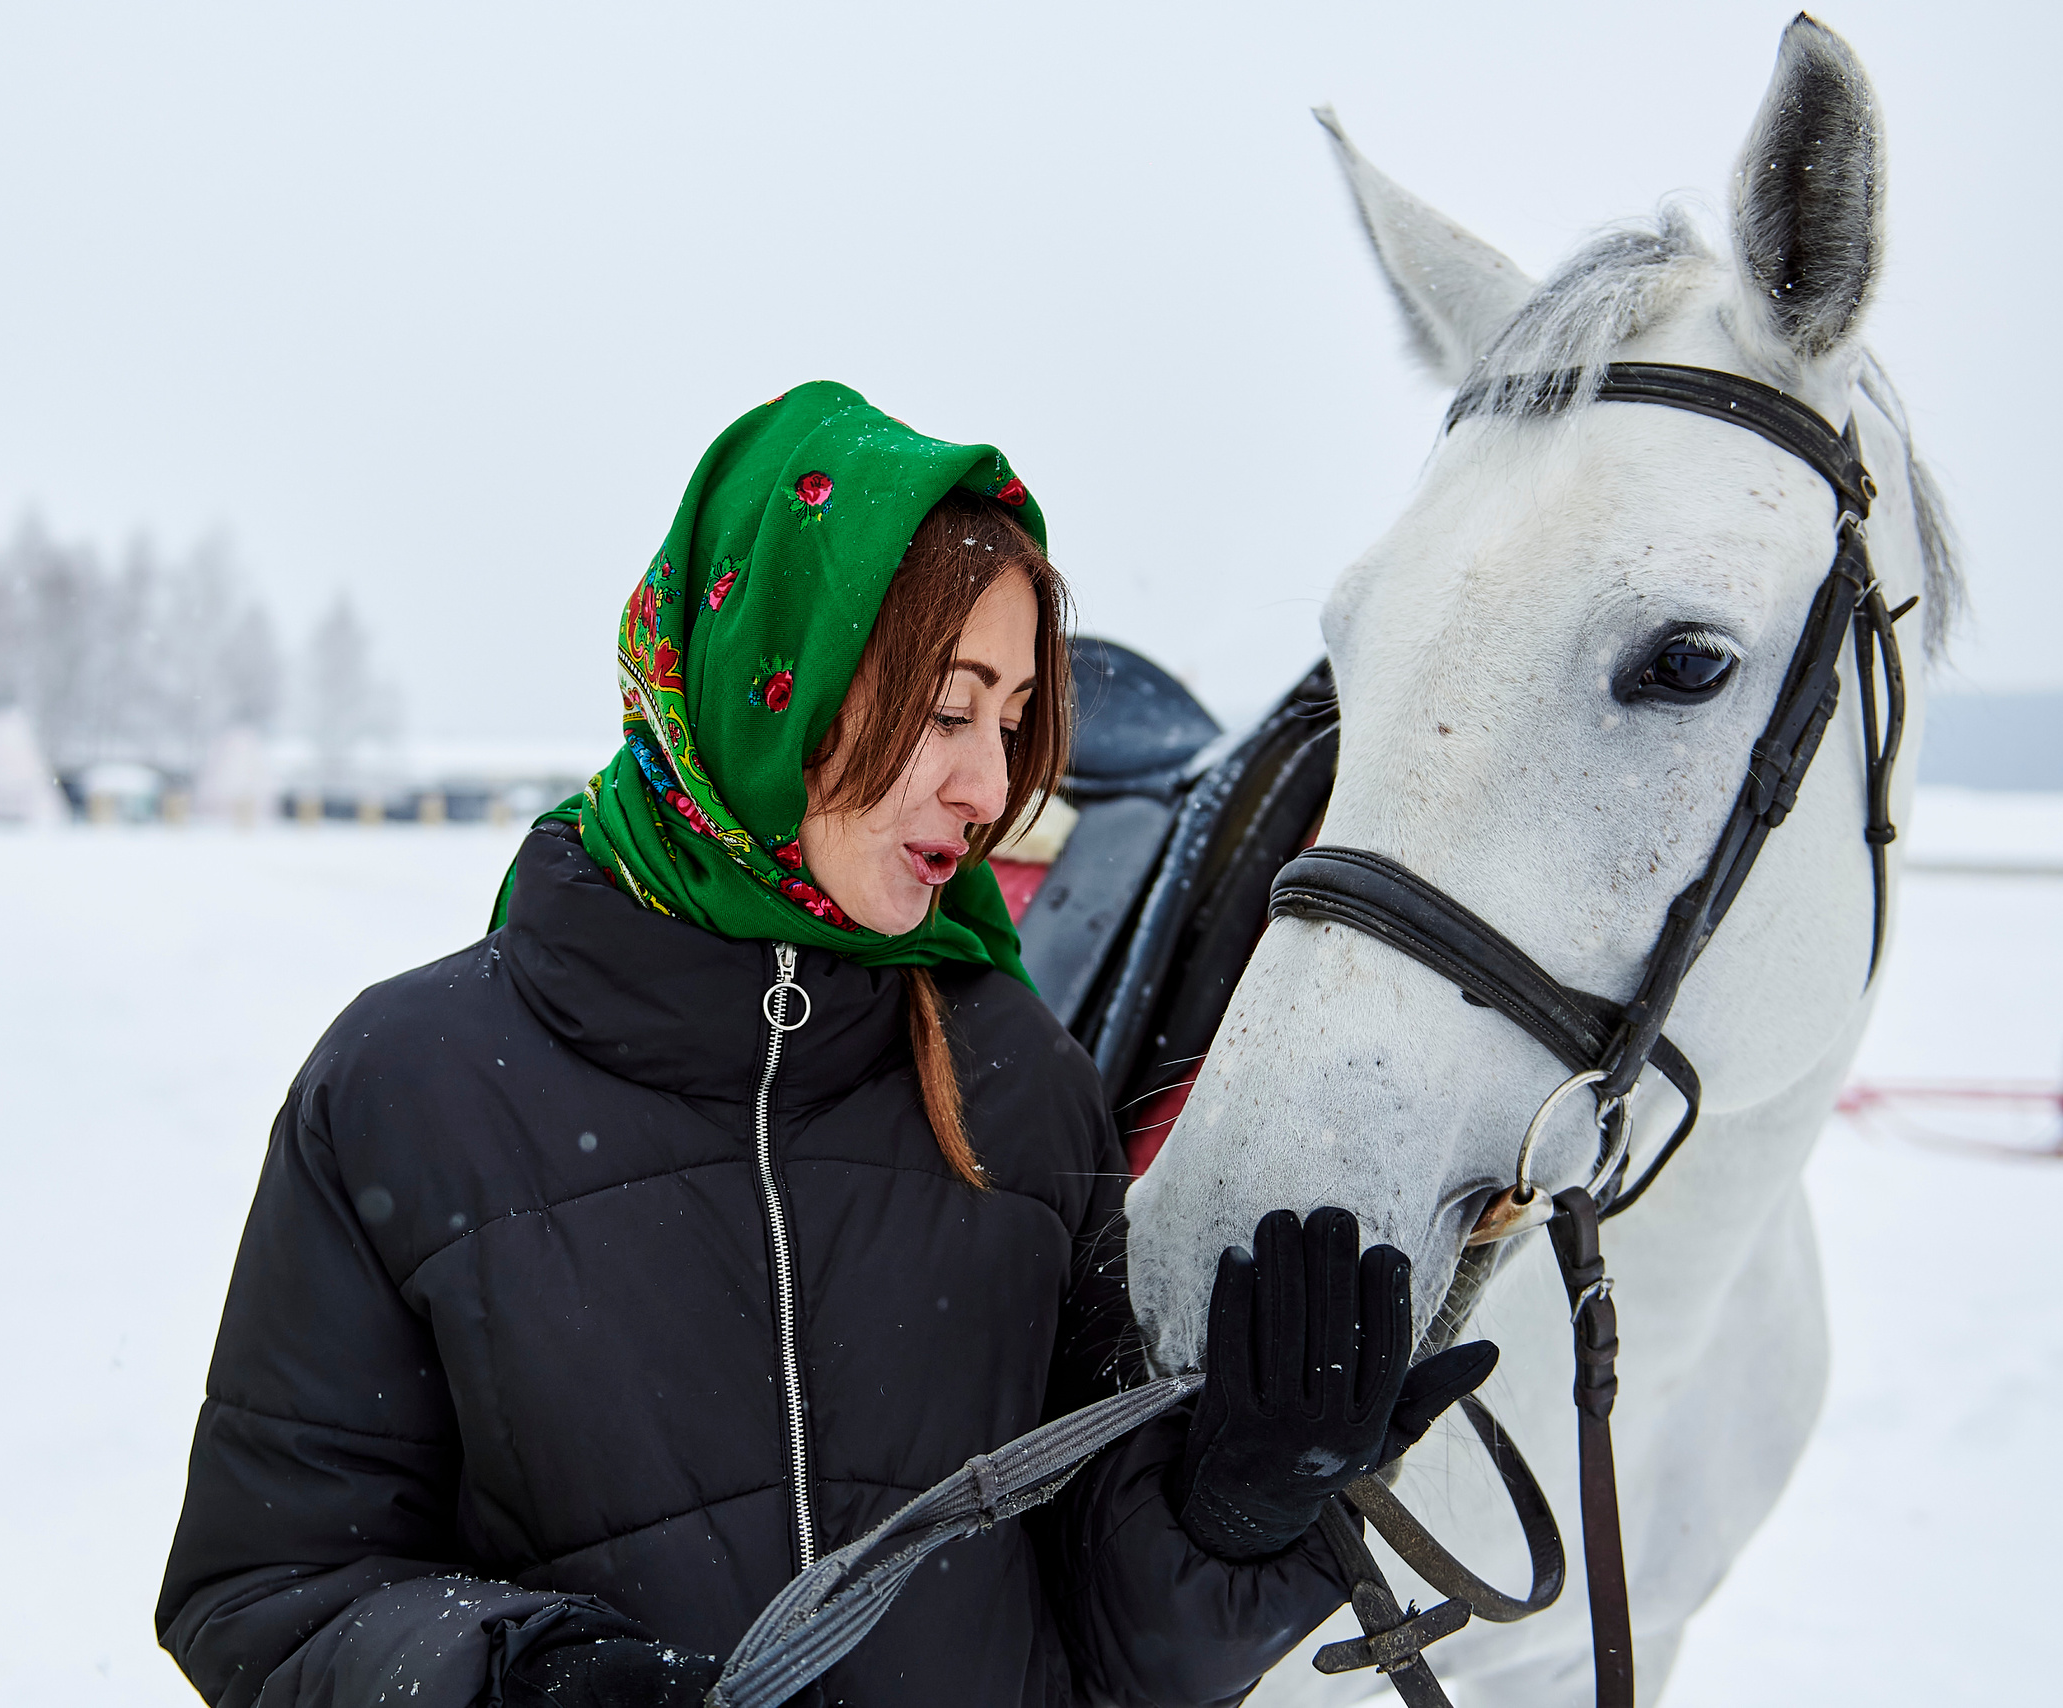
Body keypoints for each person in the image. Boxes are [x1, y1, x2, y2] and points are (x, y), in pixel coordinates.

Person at [155, 382, 1495, 1708]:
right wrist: (525, 1682)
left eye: (1015, 719)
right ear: (770, 680)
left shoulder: (1015, 1081)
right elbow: (265, 1595)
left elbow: (1107, 1657)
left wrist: (1235, 1519)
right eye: (945, 706)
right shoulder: (407, 1088)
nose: (989, 790)